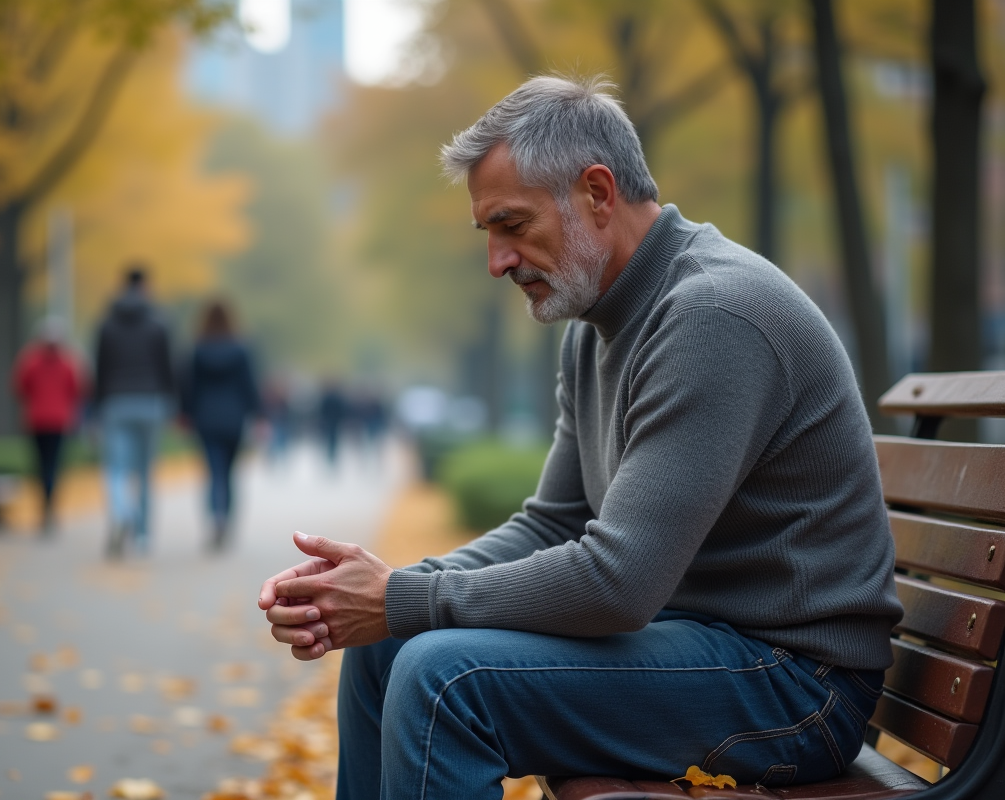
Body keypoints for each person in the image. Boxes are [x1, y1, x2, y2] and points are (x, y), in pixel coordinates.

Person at [257, 75, 903, 799]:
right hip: (703, 647)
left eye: (513, 225)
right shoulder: (600, 325)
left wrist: (403, 599)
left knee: (444, 681)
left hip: (793, 686)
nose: (498, 260)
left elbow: (618, 583)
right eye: (489, 234)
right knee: (388, 653)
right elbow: (555, 523)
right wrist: (387, 593)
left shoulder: (714, 317)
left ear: (597, 194)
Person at [93, 266, 175, 557]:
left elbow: (99, 368)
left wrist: (97, 403)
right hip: (151, 401)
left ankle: (121, 513)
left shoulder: (106, 324)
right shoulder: (158, 323)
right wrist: (170, 400)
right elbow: (167, 367)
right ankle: (141, 535)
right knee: (144, 472)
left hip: (115, 401)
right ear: (145, 287)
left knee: (116, 468)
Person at [179, 300, 261, 550]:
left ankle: (216, 517)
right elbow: (249, 385)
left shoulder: (197, 350)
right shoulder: (241, 350)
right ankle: (227, 519)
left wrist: (185, 413)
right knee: (229, 473)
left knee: (213, 472)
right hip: (234, 418)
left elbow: (188, 386)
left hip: (206, 418)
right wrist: (257, 414)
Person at [12, 318, 85, 534]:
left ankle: (45, 506)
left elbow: (19, 386)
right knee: (54, 464)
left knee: (41, 464)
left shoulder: (31, 359)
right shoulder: (67, 361)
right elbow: (78, 388)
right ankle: (50, 507)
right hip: (60, 421)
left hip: (37, 420)